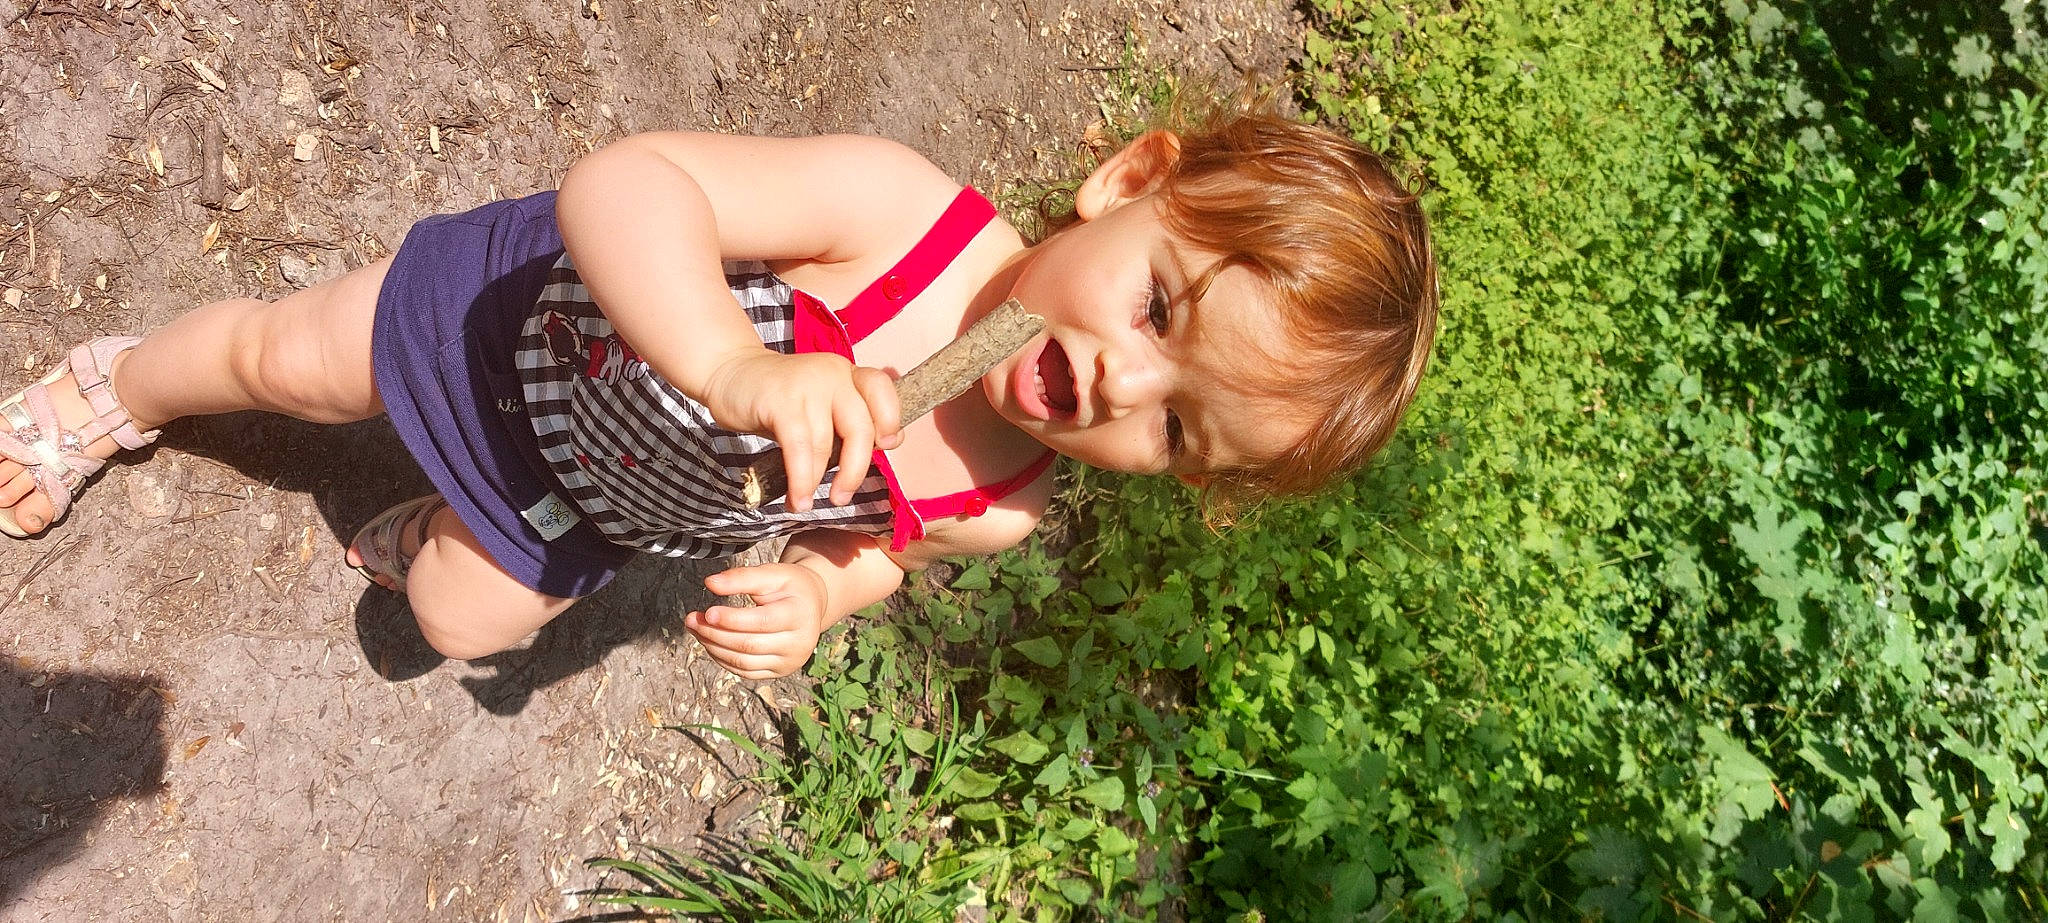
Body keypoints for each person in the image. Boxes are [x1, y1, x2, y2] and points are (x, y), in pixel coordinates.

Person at [0, 97, 1437, 680]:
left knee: (449, 618)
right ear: (1128, 181)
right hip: (525, 325)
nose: (1124, 379)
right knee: (290, 363)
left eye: (1177, 427)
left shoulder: (1002, 501)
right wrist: (731, 365)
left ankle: (438, 519)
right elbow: (624, 186)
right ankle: (116, 389)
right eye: (1159, 308)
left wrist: (817, 597)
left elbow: (879, 548)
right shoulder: (899, 215)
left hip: (593, 499)